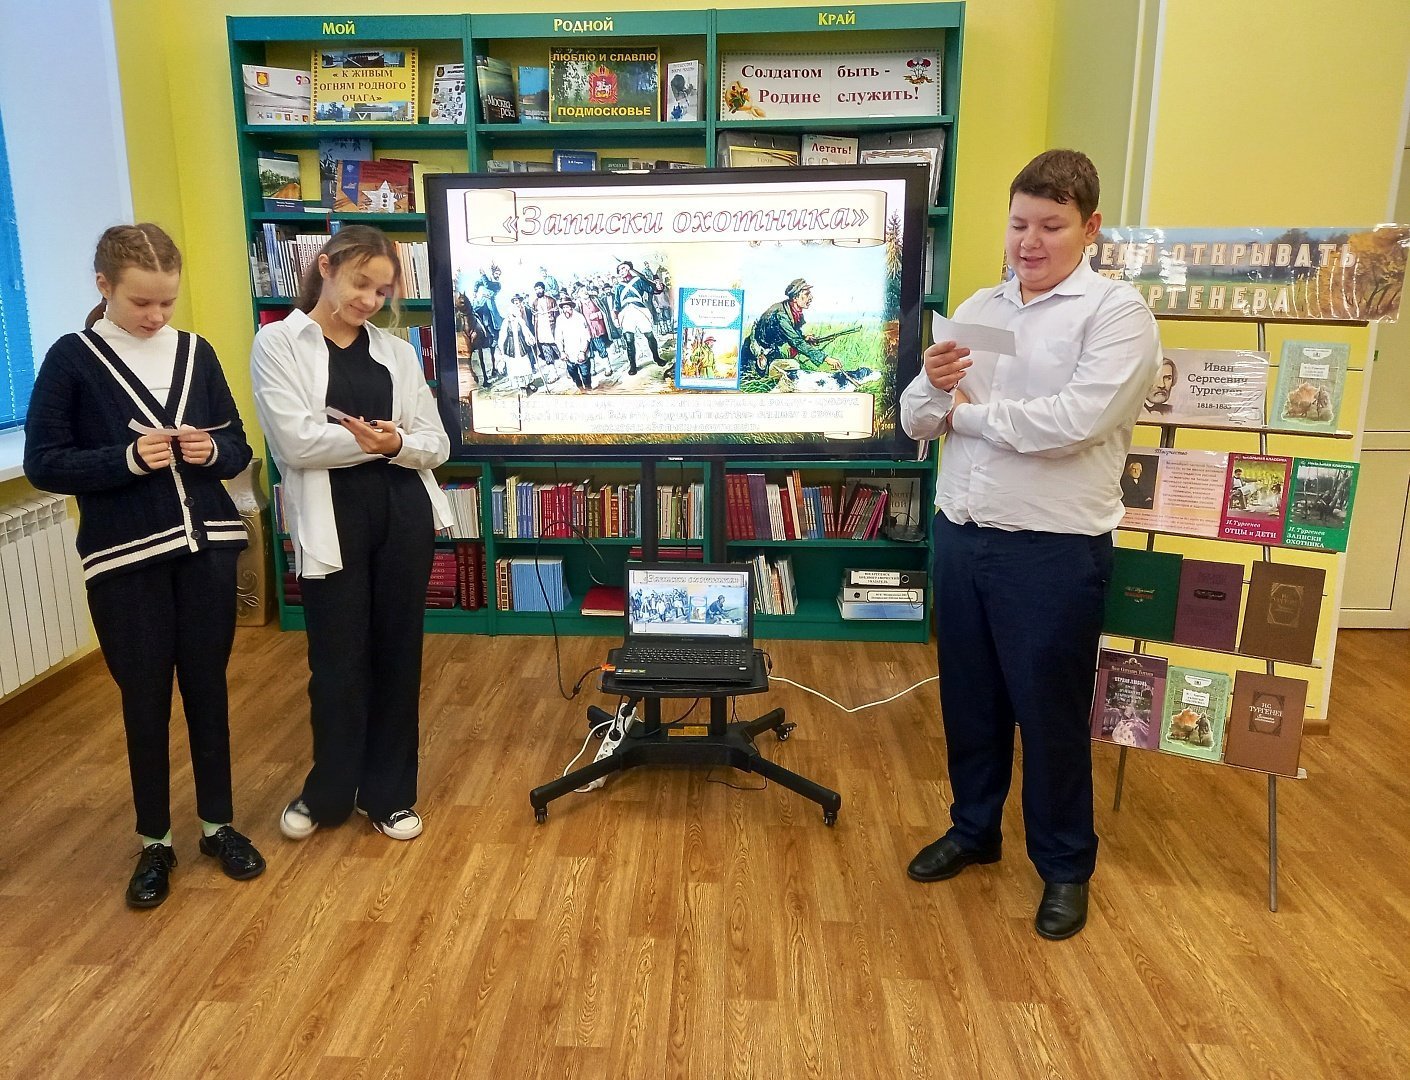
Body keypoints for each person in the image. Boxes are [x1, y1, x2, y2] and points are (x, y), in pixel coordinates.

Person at [899, 149, 1160, 941]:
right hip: (962, 536)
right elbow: (916, 419)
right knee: (969, 704)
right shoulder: (980, 308)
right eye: (1019, 224)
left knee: (1049, 718)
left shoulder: (1116, 315)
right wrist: (933, 383)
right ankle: (974, 830)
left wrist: (965, 415)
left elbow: (1073, 423)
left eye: (1051, 225)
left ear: (1090, 227)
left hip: (1052, 552)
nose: (1030, 242)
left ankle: (1065, 867)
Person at [23, 223, 265, 908]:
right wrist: (125, 459)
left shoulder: (195, 352)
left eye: (167, 302)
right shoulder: (72, 359)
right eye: (141, 303)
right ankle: (155, 841)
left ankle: (218, 827)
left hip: (208, 551)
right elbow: (45, 463)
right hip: (125, 562)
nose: (156, 316)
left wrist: (210, 452)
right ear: (103, 286)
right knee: (145, 700)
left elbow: (236, 446)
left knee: (209, 692)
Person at [250, 224, 453, 843]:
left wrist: (393, 443)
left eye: (383, 291)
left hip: (402, 516)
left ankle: (389, 794)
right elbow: (295, 444)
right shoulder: (278, 342)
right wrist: (383, 443)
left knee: (398, 655)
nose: (370, 300)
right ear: (326, 266)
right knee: (337, 664)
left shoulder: (396, 353)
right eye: (361, 284)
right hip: (330, 520)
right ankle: (330, 792)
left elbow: (436, 443)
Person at [742, 278, 845, 380]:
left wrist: (804, 338)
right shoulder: (781, 315)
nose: (811, 297)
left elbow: (793, 333)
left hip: (770, 351)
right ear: (795, 298)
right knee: (793, 366)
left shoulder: (793, 311)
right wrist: (826, 359)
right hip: (754, 356)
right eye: (807, 294)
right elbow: (796, 342)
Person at [613, 260, 666, 373]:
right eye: (619, 270)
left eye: (624, 268)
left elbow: (653, 290)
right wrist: (615, 318)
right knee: (629, 340)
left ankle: (657, 358)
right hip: (626, 314)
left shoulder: (638, 280)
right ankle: (633, 366)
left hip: (640, 311)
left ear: (629, 269)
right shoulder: (618, 287)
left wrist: (658, 287)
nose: (621, 271)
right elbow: (616, 305)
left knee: (650, 335)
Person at [553, 294, 593, 390]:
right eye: (563, 308)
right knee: (574, 375)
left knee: (585, 374)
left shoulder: (579, 317)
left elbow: (586, 336)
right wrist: (562, 351)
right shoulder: (560, 319)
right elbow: (558, 337)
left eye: (567, 307)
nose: (565, 310)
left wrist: (582, 351)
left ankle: (588, 390)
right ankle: (581, 389)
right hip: (568, 353)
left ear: (571, 307)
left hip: (581, 351)